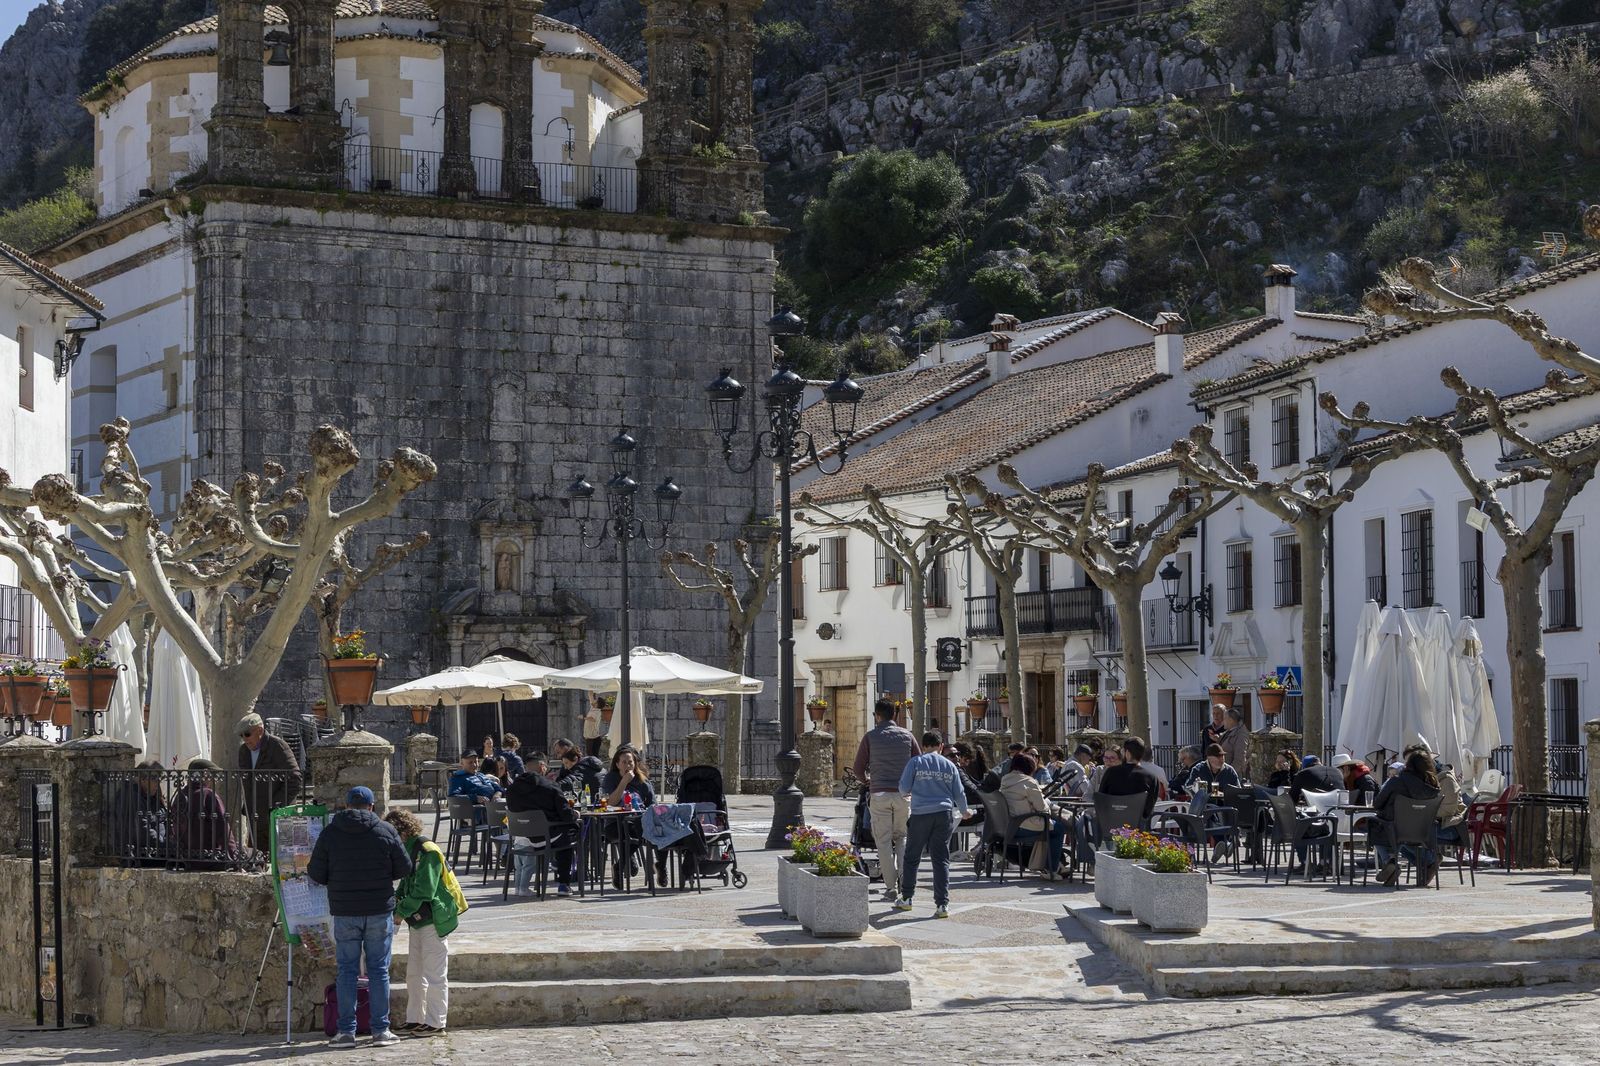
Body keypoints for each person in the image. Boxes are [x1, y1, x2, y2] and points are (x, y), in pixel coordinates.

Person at [308, 786, 412, 1048]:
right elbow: (404, 867)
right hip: (378, 910)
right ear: (372, 807)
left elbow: (317, 874)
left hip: (345, 912)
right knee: (378, 970)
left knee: (347, 972)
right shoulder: (385, 831)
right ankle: (380, 1031)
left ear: (347, 806)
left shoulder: (331, 832)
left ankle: (345, 1032)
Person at [385, 808, 457, 1037]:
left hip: (433, 919)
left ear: (402, 832)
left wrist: (400, 911)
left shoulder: (427, 851)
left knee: (435, 974)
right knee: (414, 974)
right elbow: (405, 885)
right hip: (417, 920)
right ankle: (415, 1019)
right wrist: (397, 907)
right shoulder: (409, 850)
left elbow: (425, 890)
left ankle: (436, 1023)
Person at [894, 730, 971, 917]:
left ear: (923, 746)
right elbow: (959, 792)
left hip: (921, 814)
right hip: (943, 814)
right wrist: (964, 810)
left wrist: (908, 794)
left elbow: (903, 787)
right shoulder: (950, 765)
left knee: (912, 857)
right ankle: (942, 904)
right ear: (941, 746)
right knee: (941, 858)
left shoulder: (916, 762)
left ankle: (907, 897)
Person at [851, 699, 920, 904]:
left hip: (879, 794)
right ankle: (904, 881)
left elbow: (857, 768)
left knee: (883, 842)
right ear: (895, 716)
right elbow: (918, 762)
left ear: (877, 716)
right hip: (902, 795)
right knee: (902, 838)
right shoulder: (907, 736)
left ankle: (890, 887)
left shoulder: (870, 737)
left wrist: (868, 781)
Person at [505, 753, 579, 896]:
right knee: (570, 834)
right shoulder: (550, 787)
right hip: (547, 837)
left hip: (521, 837)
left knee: (563, 832)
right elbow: (566, 815)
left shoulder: (512, 789)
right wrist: (575, 815)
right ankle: (564, 883)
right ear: (542, 766)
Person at [1370, 750, 1442, 886]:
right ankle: (1429, 859)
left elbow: (1378, 804)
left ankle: (1390, 862)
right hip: (1423, 831)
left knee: (1373, 825)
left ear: (1408, 765)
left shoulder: (1396, 781)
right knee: (1403, 838)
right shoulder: (1434, 786)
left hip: (1393, 828)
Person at [236, 712, 303, 852]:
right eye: (241, 735)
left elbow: (295, 780)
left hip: (277, 816)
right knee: (258, 861)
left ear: (259, 730)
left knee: (281, 860)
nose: (244, 739)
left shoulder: (277, 746)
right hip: (255, 817)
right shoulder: (244, 751)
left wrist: (275, 806)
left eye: (247, 734)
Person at [999, 754, 1070, 876]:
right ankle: (1051, 868)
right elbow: (1043, 808)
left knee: (1050, 827)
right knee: (1057, 828)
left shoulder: (1005, 780)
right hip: (1025, 825)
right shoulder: (1029, 781)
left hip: (1010, 825)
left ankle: (1056, 864)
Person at [600, 746, 655, 889]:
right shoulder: (611, 778)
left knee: (642, 830)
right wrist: (623, 782)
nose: (627, 765)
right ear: (617, 764)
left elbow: (652, 805)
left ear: (635, 763)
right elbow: (610, 803)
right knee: (635, 832)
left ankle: (620, 866)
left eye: (630, 762)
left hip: (638, 822)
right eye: (623, 762)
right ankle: (624, 864)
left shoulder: (643, 781)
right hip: (615, 824)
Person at [448, 751, 502, 824]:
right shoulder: (457, 778)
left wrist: (497, 794)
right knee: (503, 819)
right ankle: (505, 830)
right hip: (478, 813)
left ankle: (509, 829)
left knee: (508, 813)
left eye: (476, 762)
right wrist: (476, 798)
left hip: (493, 807)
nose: (474, 765)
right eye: (470, 762)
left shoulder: (481, 775)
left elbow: (498, 788)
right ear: (462, 763)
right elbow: (453, 797)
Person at [1219, 708, 1248, 779]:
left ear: (1231, 720)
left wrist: (1229, 774)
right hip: (1222, 772)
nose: (1223, 721)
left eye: (1225, 718)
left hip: (1232, 777)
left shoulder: (1241, 735)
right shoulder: (1228, 732)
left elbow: (1240, 759)